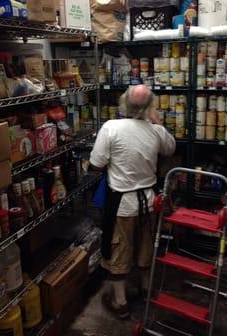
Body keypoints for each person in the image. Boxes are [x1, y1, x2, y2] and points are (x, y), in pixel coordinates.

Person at [89, 84, 176, 319]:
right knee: (145, 249)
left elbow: (96, 163)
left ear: (123, 104)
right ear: (151, 108)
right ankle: (146, 291)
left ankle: (121, 302)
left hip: (122, 205)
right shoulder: (156, 131)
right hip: (148, 202)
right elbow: (170, 149)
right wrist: (157, 122)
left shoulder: (111, 127)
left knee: (119, 252)